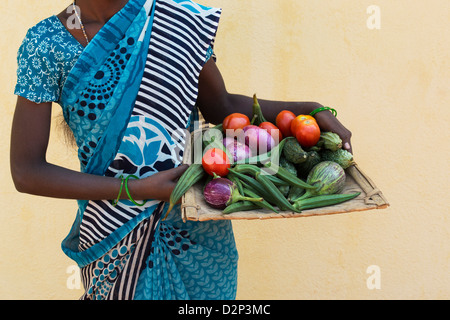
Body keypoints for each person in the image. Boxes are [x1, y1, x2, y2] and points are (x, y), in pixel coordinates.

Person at [10, 0, 352, 300]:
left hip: (197, 229)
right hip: (113, 234)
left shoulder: (176, 20)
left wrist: (310, 110)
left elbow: (220, 105)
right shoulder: (46, 44)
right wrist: (134, 189)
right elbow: (27, 171)